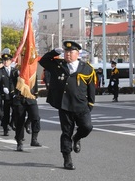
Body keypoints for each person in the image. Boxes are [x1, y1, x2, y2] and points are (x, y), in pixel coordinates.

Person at [39, 40, 96, 170]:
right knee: (66, 132)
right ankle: (67, 159)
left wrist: (91, 103)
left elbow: (91, 87)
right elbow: (43, 61)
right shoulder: (58, 65)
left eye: (71, 52)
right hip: (65, 105)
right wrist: (54, 52)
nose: (68, 54)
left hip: (81, 105)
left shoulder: (87, 68)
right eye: (66, 51)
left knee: (87, 127)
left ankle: (77, 138)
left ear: (77, 53)